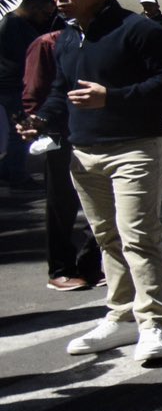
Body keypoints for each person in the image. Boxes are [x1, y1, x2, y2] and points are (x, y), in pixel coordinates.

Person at [25, 0, 162, 362]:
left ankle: (152, 326)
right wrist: (41, 119)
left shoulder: (140, 30)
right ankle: (120, 317)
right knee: (106, 238)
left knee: (138, 237)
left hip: (136, 147)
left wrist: (111, 97)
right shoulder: (65, 37)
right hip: (83, 151)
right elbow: (63, 90)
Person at [22, 22, 102, 291]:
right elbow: (37, 89)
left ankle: (90, 265)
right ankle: (60, 269)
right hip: (60, 132)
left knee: (103, 202)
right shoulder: (49, 43)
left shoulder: (102, 38)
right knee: (62, 204)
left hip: (97, 131)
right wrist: (38, 123)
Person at [1, 0, 57, 186]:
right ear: (34, 7)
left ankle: (9, 170)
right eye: (45, 13)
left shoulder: (15, 23)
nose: (45, 18)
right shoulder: (13, 25)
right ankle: (16, 173)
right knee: (22, 131)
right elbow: (22, 57)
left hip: (12, 85)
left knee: (19, 132)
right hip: (13, 86)